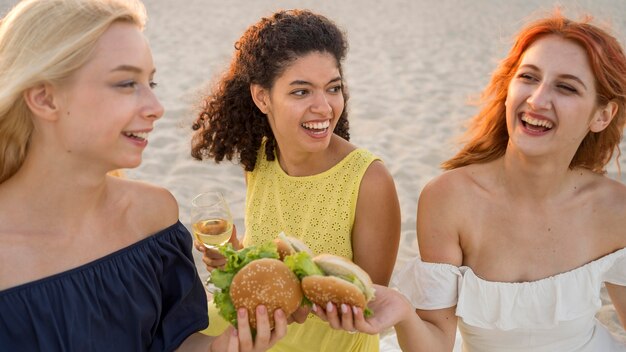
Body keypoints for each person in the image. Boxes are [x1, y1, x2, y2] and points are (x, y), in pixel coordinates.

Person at [314, 11, 626, 352]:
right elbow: (436, 344)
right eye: (528, 77)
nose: (537, 100)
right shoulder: (449, 199)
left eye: (565, 87)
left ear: (602, 115)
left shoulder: (614, 209)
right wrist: (404, 313)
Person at [0, 0, 287, 351]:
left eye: (151, 82)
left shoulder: (153, 218)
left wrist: (221, 347)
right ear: (44, 98)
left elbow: (174, 342)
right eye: (125, 83)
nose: (156, 107)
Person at [190, 9, 401, 352]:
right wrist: (234, 259)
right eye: (301, 92)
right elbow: (269, 266)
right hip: (255, 338)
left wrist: (297, 301)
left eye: (333, 88)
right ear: (262, 97)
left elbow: (367, 302)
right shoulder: (258, 159)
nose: (324, 107)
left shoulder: (369, 180)